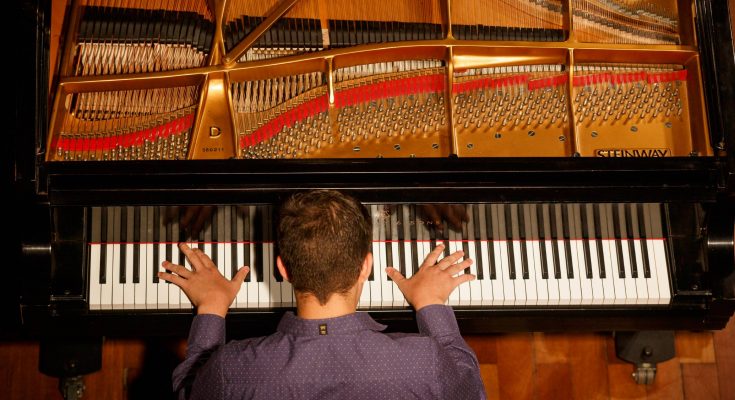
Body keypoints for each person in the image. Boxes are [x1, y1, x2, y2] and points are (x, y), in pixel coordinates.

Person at [160, 190, 485, 399]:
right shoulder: (424, 363)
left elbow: (189, 390)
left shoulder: (230, 369)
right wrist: (431, 305)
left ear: (282, 269)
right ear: (366, 267)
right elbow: (469, 387)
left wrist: (211, 308)